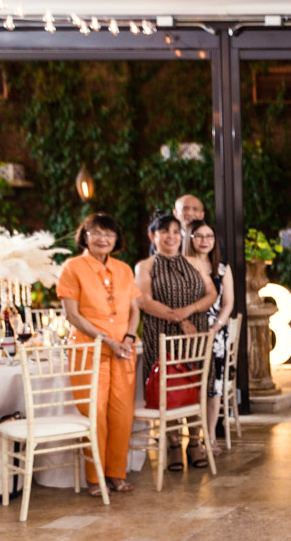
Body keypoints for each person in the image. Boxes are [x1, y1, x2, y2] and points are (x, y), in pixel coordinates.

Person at [57, 213, 141, 497]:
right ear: (85, 235)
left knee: (122, 415)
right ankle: (95, 478)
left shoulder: (124, 269)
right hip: (87, 351)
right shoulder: (73, 267)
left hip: (123, 352)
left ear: (116, 239)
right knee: (94, 414)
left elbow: (135, 309)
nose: (103, 239)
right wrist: (106, 340)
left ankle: (116, 474)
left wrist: (128, 337)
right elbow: (73, 315)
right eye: (96, 233)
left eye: (109, 234)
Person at [134, 211, 218, 471]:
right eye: (164, 231)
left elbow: (211, 293)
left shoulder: (195, 263)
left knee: (195, 386)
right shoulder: (145, 266)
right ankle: (172, 445)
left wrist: (189, 310)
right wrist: (178, 319)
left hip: (195, 336)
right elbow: (144, 300)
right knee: (165, 390)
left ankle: (194, 443)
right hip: (161, 334)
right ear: (153, 236)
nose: (171, 236)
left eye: (175, 231)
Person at [186, 218, 235, 454]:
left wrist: (216, 327)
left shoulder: (223, 268)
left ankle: (210, 436)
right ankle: (192, 439)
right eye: (199, 236)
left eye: (209, 236)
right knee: (191, 385)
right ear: (190, 239)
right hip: (188, 334)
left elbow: (228, 303)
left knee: (214, 387)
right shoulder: (182, 266)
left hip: (215, 335)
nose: (205, 241)